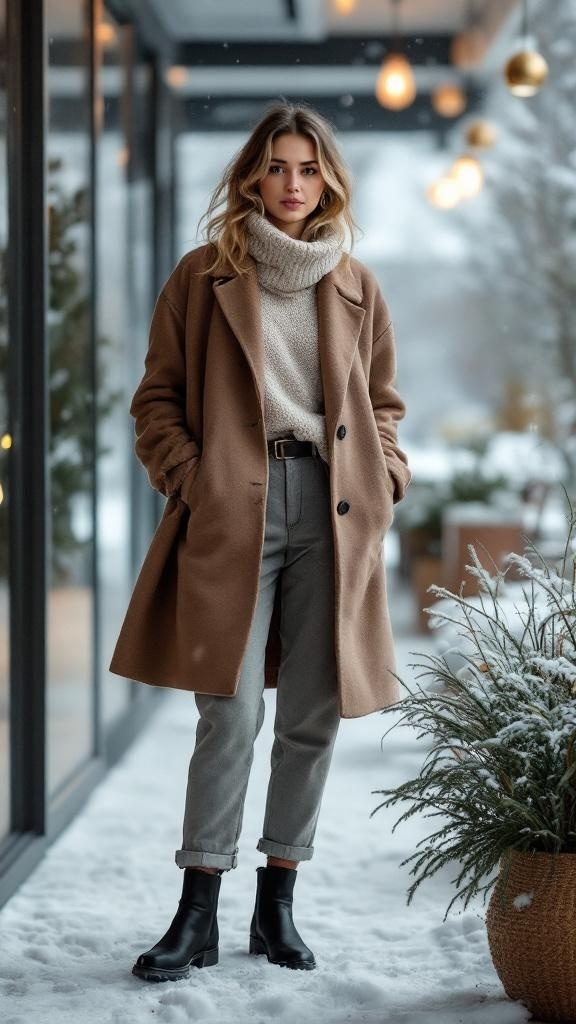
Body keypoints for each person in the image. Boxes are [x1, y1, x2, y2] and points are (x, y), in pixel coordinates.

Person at [109, 99, 412, 982]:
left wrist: (384, 474)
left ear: (329, 181)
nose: (292, 184)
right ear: (251, 174)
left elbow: (383, 406)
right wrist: (193, 479)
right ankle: (195, 907)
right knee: (230, 713)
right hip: (232, 508)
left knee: (312, 715)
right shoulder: (202, 276)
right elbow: (155, 400)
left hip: (335, 510)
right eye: (277, 167)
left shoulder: (358, 284)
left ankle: (277, 904)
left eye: (308, 169)